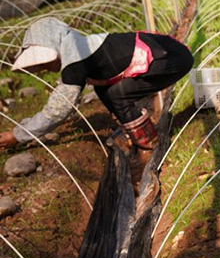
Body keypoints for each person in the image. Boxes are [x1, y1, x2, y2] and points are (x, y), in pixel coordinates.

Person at [0, 17, 193, 157]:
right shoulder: (82, 49)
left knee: (118, 94)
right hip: (169, 52)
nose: (44, 68)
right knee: (104, 89)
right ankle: (130, 127)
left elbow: (58, 110)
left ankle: (150, 145)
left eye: (43, 63)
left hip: (172, 58)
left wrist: (17, 136)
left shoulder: (76, 62)